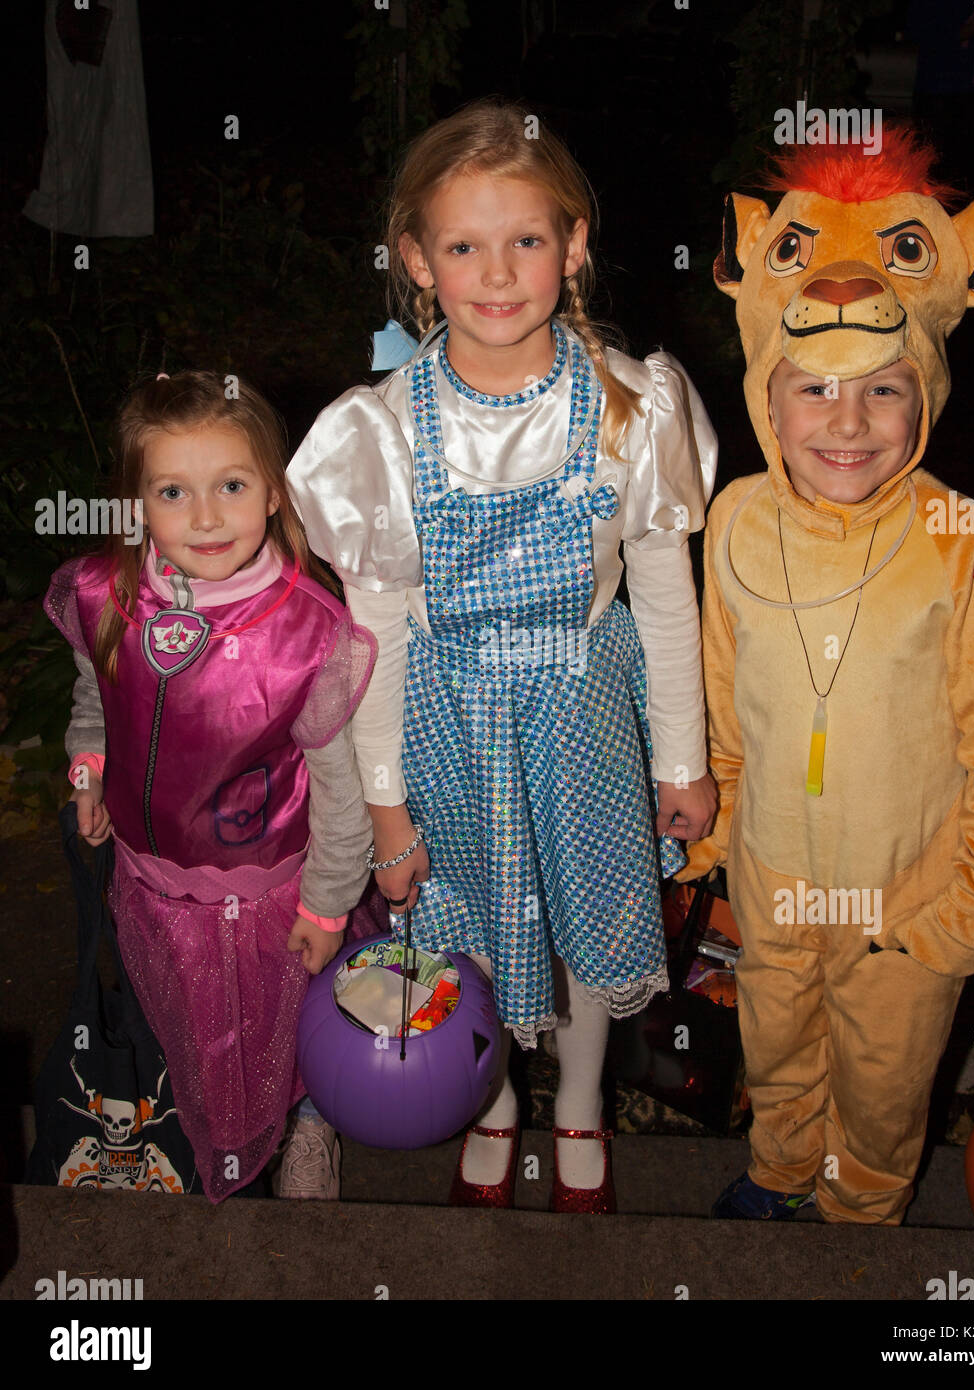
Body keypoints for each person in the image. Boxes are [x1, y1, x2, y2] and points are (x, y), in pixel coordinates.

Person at [287, 98, 718, 1213]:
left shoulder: (633, 405)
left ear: (573, 245)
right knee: (470, 926)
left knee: (580, 931)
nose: (497, 271)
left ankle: (577, 1102)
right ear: (417, 261)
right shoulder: (380, 432)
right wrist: (386, 809)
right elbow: (373, 634)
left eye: (526, 239)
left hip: (583, 712)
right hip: (447, 720)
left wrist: (681, 755)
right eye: (463, 245)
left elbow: (665, 592)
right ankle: (490, 1102)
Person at [682, 128, 974, 1223]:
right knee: (780, 1047)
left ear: (923, 392)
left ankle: (862, 1213)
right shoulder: (735, 519)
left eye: (884, 393)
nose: (846, 425)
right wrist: (716, 837)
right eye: (814, 392)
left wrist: (970, 908)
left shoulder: (959, 539)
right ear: (766, 393)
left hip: (907, 906)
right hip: (774, 883)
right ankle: (784, 1169)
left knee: (884, 1089)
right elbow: (719, 696)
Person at [45, 370, 377, 1202]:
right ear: (135, 505)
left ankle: (310, 1120)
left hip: (274, 895)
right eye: (172, 491)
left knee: (284, 1030)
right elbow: (96, 692)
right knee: (196, 1034)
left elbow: (342, 789)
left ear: (273, 491)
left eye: (231, 485)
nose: (203, 516)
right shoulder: (109, 594)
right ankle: (208, 1138)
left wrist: (329, 903)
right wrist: (90, 767)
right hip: (155, 891)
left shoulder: (306, 631)